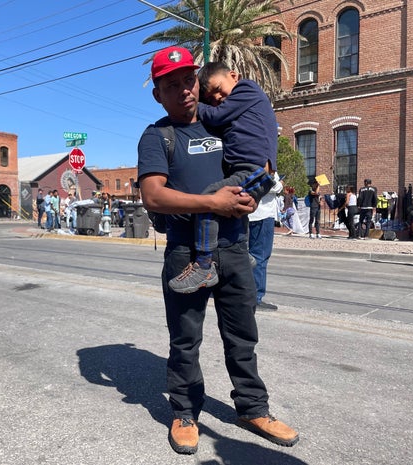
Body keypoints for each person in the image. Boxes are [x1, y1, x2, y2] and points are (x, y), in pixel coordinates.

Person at [137, 46, 298, 455]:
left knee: (243, 336)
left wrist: (251, 193)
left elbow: (256, 157)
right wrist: (214, 204)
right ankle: (185, 412)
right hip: (186, 253)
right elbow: (153, 197)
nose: (185, 91)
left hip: (235, 248)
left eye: (189, 80)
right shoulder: (158, 136)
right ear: (158, 94)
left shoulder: (224, 123)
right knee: (185, 339)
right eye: (171, 85)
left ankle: (252, 408)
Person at [168, 61, 276, 294]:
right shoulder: (239, 104)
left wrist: (195, 106)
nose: (217, 97)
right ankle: (242, 254)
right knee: (233, 203)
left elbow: (218, 116)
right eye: (210, 96)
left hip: (255, 170)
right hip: (247, 170)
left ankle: (204, 265)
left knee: (211, 197)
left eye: (218, 88)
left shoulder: (246, 89)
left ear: (234, 75)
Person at [249, 171, 283, 311]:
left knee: (245, 254)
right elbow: (272, 185)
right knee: (260, 256)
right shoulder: (264, 162)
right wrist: (280, 184)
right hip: (262, 214)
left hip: (248, 213)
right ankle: (255, 296)